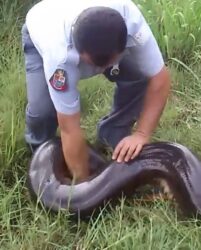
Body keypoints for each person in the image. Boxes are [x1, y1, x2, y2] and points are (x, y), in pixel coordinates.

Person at [21, 0, 171, 183]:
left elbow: (160, 80)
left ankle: (112, 132)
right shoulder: (58, 54)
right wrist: (86, 187)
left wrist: (142, 134)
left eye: (109, 63)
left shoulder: (130, 20)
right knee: (42, 111)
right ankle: (41, 151)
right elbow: (70, 127)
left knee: (140, 77)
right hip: (41, 27)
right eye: (96, 64)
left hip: (102, 40)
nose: (102, 69)